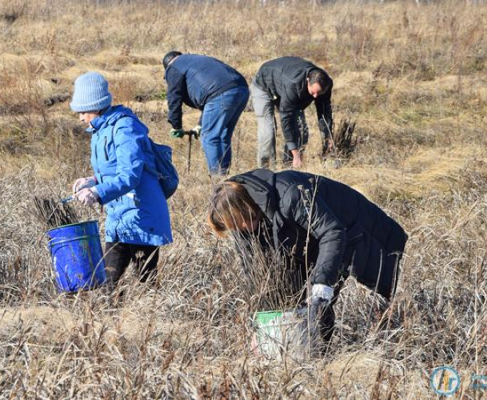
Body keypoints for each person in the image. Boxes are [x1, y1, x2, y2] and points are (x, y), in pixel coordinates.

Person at [207, 168, 407, 346]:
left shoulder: (290, 194)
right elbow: (252, 270)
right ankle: (315, 351)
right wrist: (258, 327)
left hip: (358, 230)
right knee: (304, 301)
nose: (238, 230)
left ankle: (393, 341)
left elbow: (332, 233)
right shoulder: (243, 225)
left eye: (238, 224)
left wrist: (321, 283)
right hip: (311, 241)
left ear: (247, 210)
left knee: (386, 293)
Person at [69, 72, 172, 286]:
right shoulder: (99, 131)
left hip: (141, 217)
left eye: (83, 111)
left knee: (146, 284)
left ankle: (151, 319)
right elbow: (113, 171)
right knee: (108, 282)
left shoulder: (125, 128)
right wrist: (92, 181)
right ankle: (115, 318)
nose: (80, 118)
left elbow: (130, 175)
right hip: (119, 217)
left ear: (97, 106)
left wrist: (97, 192)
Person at [163, 51, 250, 176]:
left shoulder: (174, 67)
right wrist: (200, 124)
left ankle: (217, 179)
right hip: (242, 89)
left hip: (220, 94)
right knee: (224, 135)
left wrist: (176, 126)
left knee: (210, 137)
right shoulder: (194, 60)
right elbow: (211, 90)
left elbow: (174, 97)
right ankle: (226, 178)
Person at [250, 56, 334, 169]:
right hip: (264, 86)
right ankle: (266, 171)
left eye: (319, 93)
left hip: (284, 86)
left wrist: (328, 137)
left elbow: (324, 112)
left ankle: (289, 168)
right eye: (313, 92)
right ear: (308, 80)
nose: (315, 96)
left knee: (301, 131)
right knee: (268, 132)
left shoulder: (326, 84)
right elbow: (286, 118)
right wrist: (296, 154)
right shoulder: (294, 84)